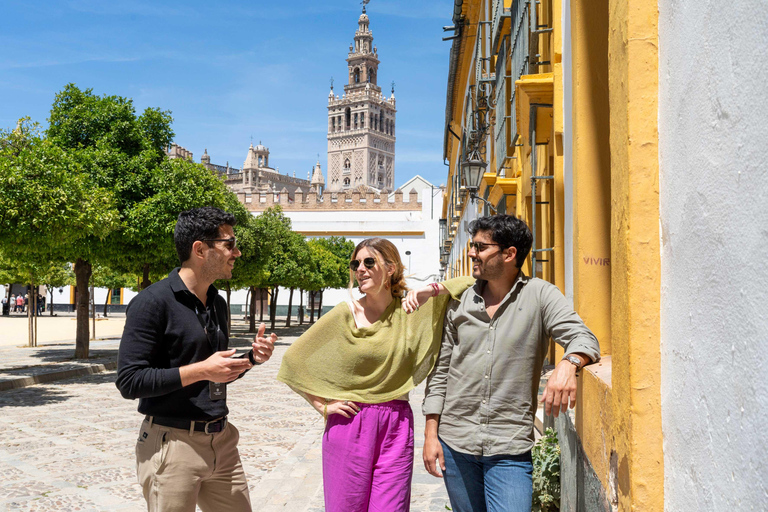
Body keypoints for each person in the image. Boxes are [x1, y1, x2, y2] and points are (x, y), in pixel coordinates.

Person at [277, 237, 473, 512]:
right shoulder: (346, 313)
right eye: (355, 263)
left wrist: (431, 290)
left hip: (396, 423)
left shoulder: (410, 309)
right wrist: (322, 405)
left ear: (390, 268)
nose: (360, 269)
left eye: (369, 262)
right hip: (349, 423)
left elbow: (471, 284)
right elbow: (293, 360)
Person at [421, 215, 601, 512]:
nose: (471, 253)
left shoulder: (541, 295)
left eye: (479, 246)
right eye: (471, 245)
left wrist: (568, 364)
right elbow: (440, 374)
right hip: (455, 443)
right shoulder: (460, 302)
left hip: (509, 449)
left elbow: (584, 338)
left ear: (509, 253)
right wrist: (430, 436)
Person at [116, 207, 277, 512]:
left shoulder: (217, 303)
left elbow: (214, 370)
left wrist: (250, 359)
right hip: (173, 445)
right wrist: (203, 369)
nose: (237, 253)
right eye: (229, 244)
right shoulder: (151, 303)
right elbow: (129, 381)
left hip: (222, 442)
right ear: (200, 250)